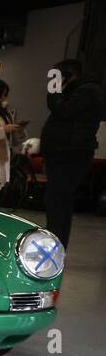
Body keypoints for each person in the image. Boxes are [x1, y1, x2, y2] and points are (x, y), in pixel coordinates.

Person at [41, 58, 104, 248]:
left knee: (57, 199)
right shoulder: (78, 91)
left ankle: (54, 243)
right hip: (63, 152)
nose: (53, 80)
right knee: (58, 200)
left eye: (57, 75)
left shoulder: (88, 91)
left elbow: (62, 111)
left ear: (69, 74)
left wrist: (54, 89)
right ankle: (55, 241)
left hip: (70, 154)